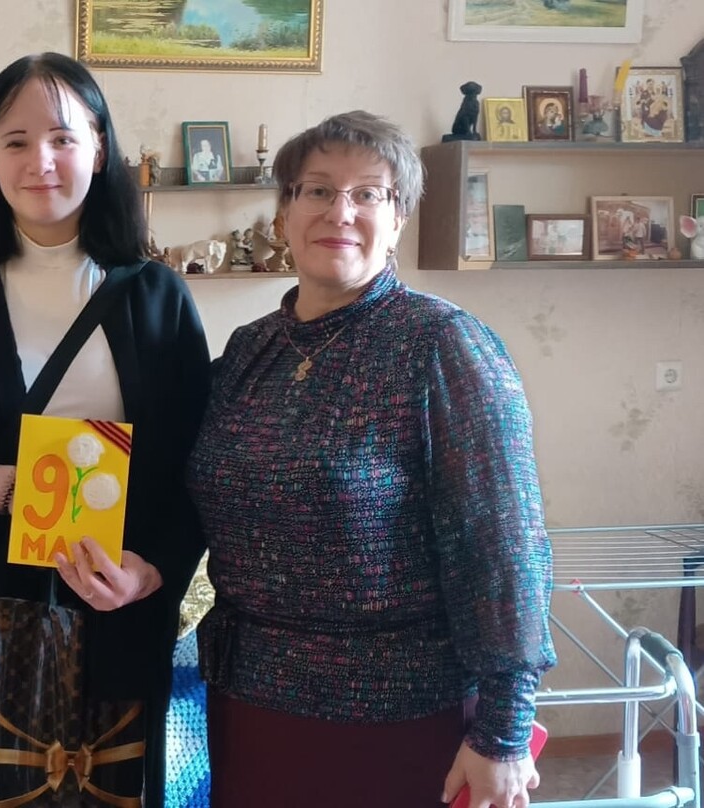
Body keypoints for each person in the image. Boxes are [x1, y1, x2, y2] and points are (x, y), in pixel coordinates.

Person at [189, 110, 555, 808]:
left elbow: (505, 546)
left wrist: (505, 731)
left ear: (398, 220)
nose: (341, 211)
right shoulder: (248, 351)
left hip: (404, 716)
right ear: (284, 213)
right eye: (318, 190)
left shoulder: (444, 345)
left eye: (368, 194)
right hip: (249, 704)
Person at [0, 51, 210, 807]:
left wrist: (152, 571)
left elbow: (196, 467)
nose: (42, 160)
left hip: (111, 616)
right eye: (17, 141)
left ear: (99, 149)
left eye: (64, 137)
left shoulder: (155, 296)